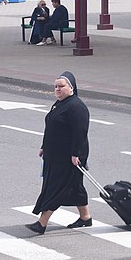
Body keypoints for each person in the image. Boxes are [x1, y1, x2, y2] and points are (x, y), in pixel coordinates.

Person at [26, 71, 92, 234]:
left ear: (71, 88)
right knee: (75, 186)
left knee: (55, 188)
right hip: (55, 155)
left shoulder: (77, 107)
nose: (57, 89)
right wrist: (44, 146)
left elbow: (80, 132)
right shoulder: (59, 104)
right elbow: (51, 127)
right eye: (55, 86)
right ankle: (85, 217)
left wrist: (76, 154)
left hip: (69, 157)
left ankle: (42, 223)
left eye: (61, 86)